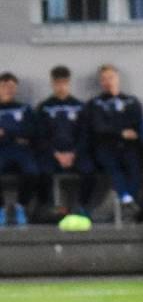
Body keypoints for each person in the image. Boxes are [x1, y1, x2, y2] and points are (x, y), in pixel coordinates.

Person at [36, 65, 95, 218]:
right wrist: (56, 154)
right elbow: (41, 136)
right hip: (52, 153)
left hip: (75, 152)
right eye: (57, 83)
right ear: (52, 83)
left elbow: (85, 135)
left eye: (64, 83)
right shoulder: (44, 107)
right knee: (41, 172)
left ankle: (81, 206)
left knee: (90, 171)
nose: (61, 87)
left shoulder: (80, 106)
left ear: (69, 83)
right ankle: (47, 207)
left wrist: (73, 153)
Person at [87, 64, 143, 217]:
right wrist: (120, 132)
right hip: (106, 147)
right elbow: (99, 127)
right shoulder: (96, 103)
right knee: (113, 168)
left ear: (118, 79)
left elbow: (136, 123)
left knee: (135, 168)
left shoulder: (131, 101)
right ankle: (126, 199)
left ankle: (129, 201)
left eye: (111, 77)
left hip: (129, 147)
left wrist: (126, 133)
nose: (108, 81)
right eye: (104, 79)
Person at [0, 72, 39, 226]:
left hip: (21, 150)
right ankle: (1, 208)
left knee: (33, 173)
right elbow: (21, 131)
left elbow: (31, 131)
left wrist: (6, 132)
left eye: (12, 87)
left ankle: (20, 206)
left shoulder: (24, 108)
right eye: (4, 86)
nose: (8, 90)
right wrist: (16, 133)